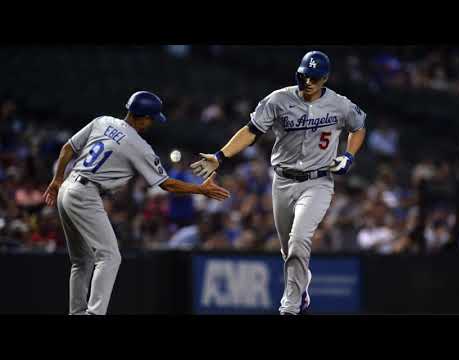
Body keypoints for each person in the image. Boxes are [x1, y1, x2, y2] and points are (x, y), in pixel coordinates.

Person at [190, 51, 367, 315]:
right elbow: (251, 130)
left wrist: (349, 156)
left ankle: (290, 307)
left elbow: (359, 126)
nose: (307, 81)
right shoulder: (278, 99)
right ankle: (302, 284)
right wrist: (220, 155)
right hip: (282, 182)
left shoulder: (339, 104)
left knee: (298, 241)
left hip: (318, 182)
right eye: (304, 75)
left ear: (325, 79)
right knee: (288, 250)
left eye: (314, 78)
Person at [43, 91, 230, 315]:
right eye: (151, 119)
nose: (151, 123)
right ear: (141, 117)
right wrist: (200, 190)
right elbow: (166, 184)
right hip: (86, 194)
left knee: (81, 260)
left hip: (67, 187)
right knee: (110, 256)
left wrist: (57, 180)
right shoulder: (138, 145)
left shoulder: (103, 121)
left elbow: (67, 148)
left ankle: (77, 312)